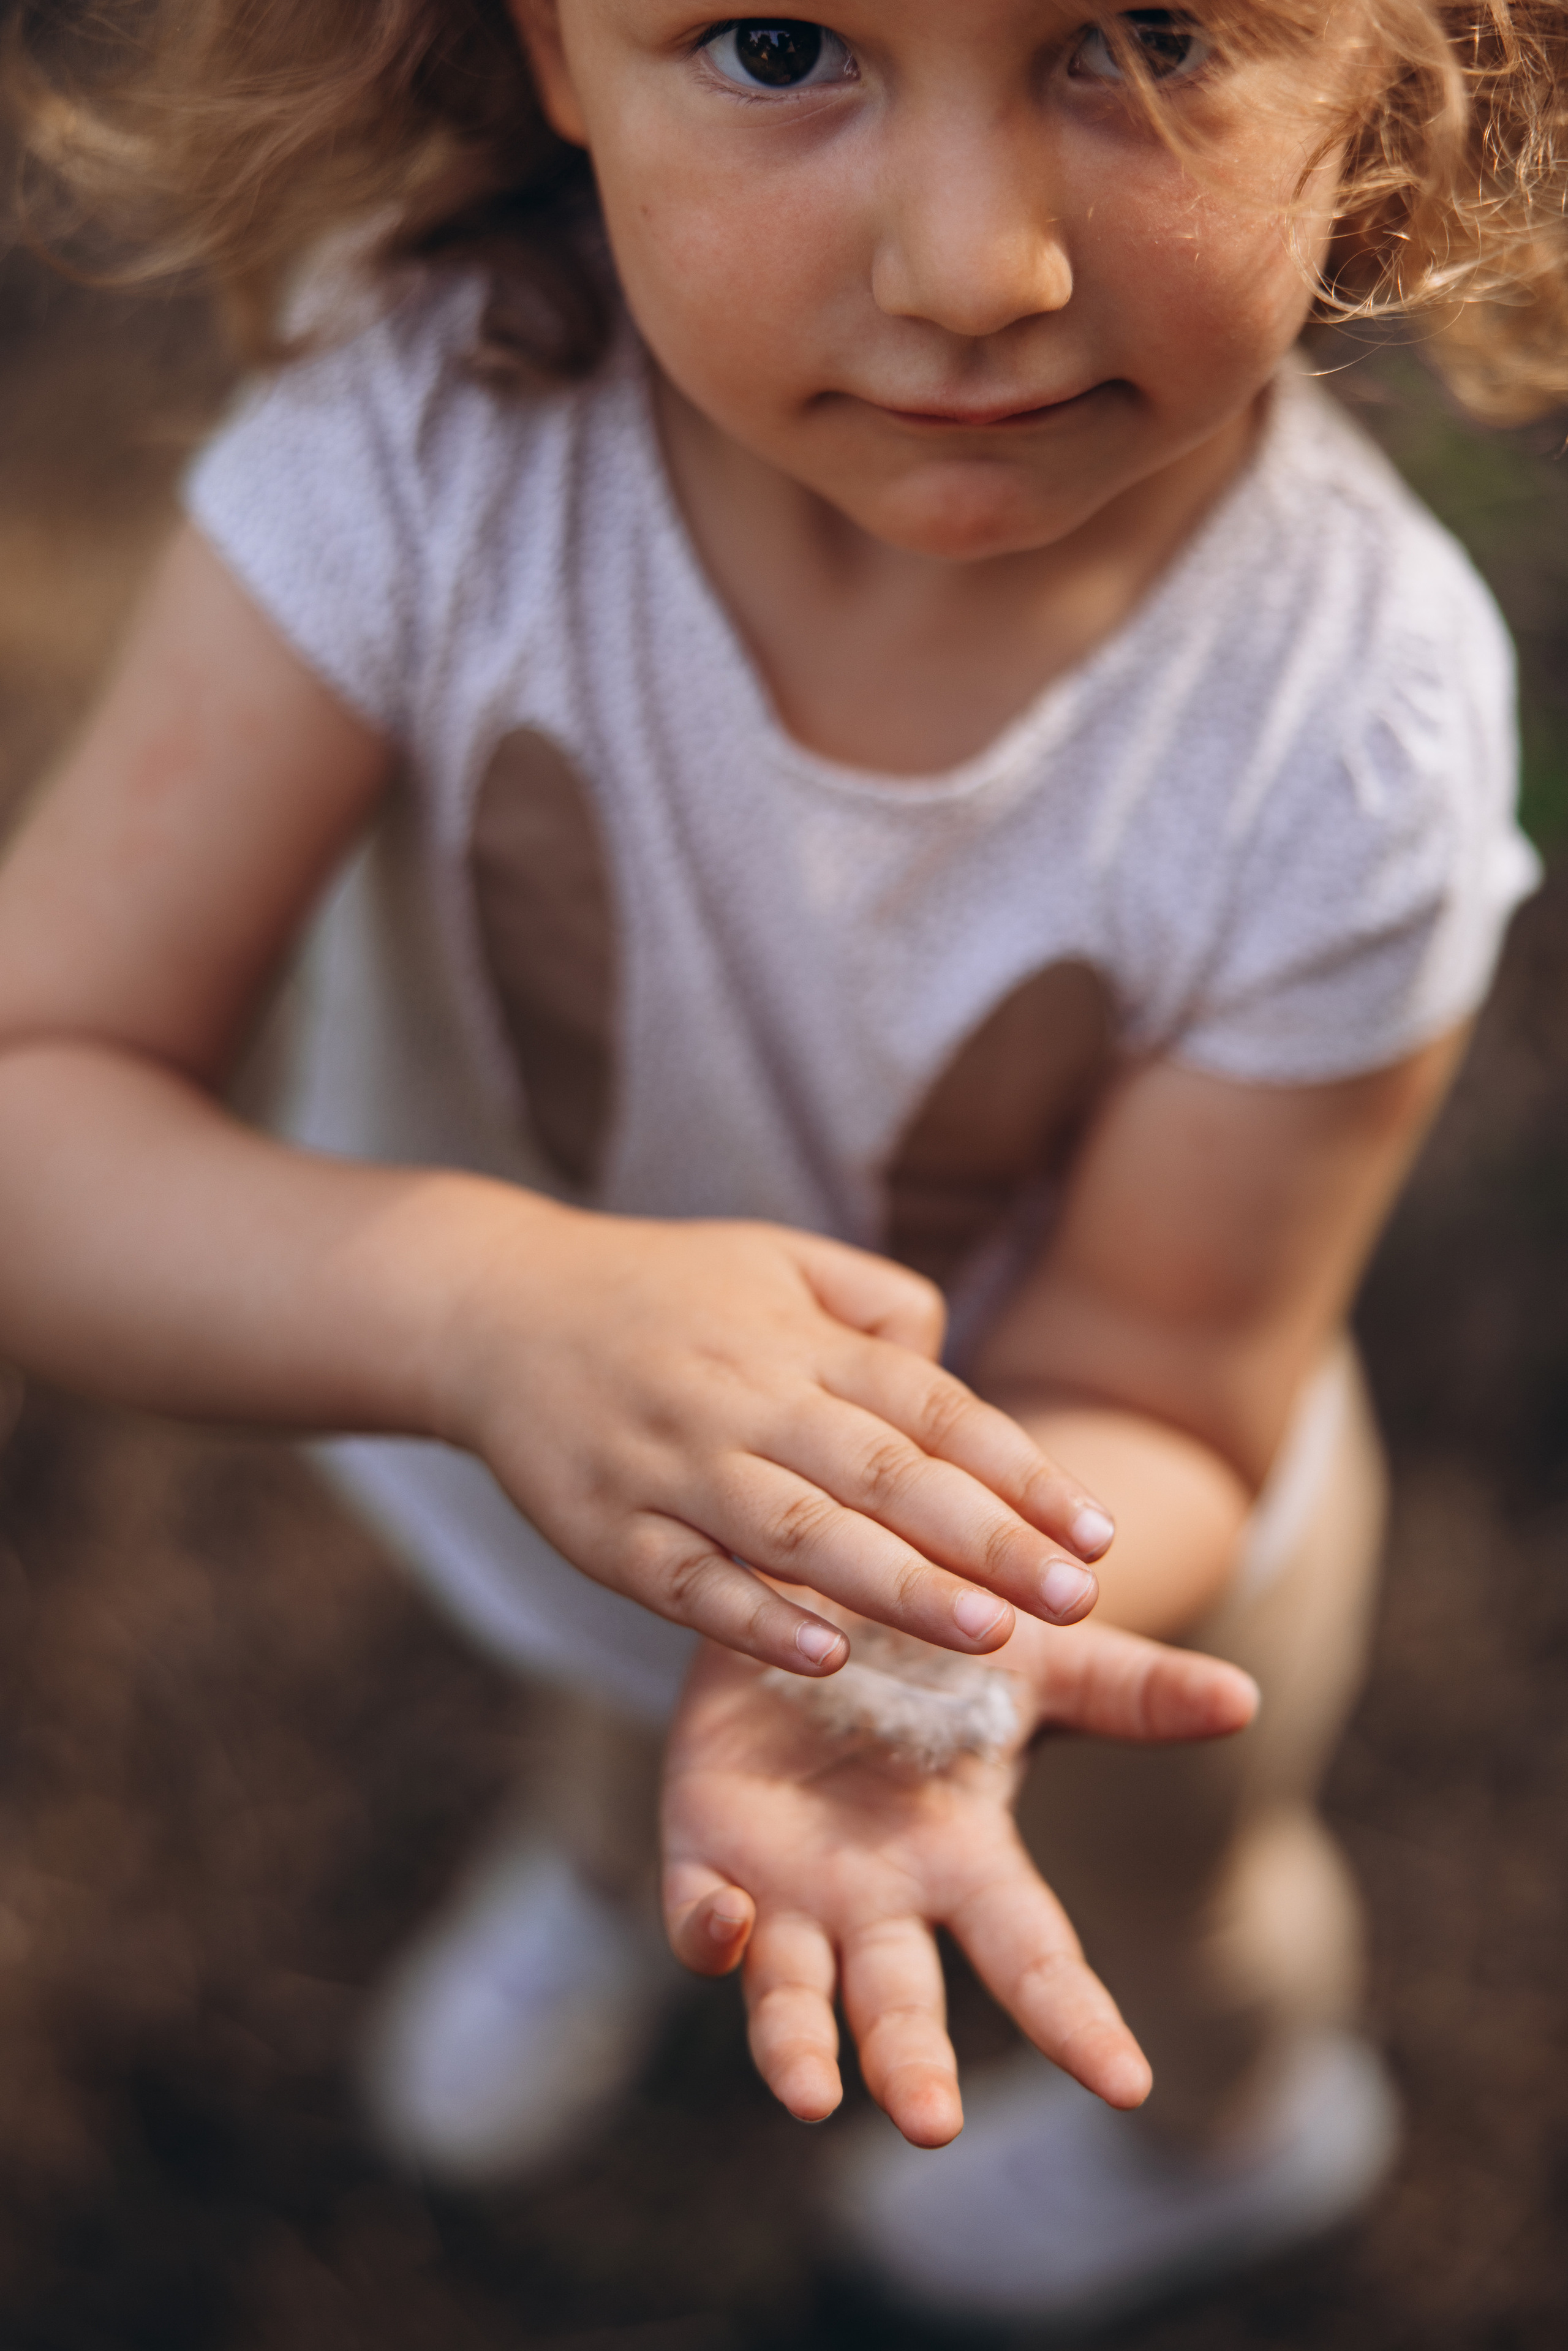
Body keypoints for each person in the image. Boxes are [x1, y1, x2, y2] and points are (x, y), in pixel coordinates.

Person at [0, 0, 1559, 2326]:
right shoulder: (424, 452)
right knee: (609, 1668)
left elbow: (1170, 1369)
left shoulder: (1348, 725)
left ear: (1410, 64)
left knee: (1185, 1901)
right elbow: (43, 1093)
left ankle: (1238, 2124)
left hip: (1094, 1594)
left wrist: (915, 1655)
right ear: (544, 46)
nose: (973, 265)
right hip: (572, 1437)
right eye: (774, 44)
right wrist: (481, 1317)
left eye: (1141, 38)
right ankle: (600, 1862)